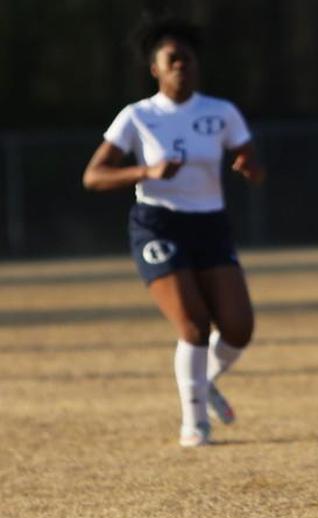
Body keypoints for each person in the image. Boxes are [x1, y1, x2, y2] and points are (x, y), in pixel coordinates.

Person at [82, 18, 265, 447]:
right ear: (156, 69)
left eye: (188, 58)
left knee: (238, 328)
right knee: (194, 326)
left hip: (210, 223)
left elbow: (255, 168)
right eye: (173, 59)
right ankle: (195, 423)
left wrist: (250, 169)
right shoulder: (138, 116)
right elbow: (94, 175)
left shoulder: (221, 112)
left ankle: (204, 381)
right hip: (158, 223)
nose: (182, 65)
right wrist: (146, 171)